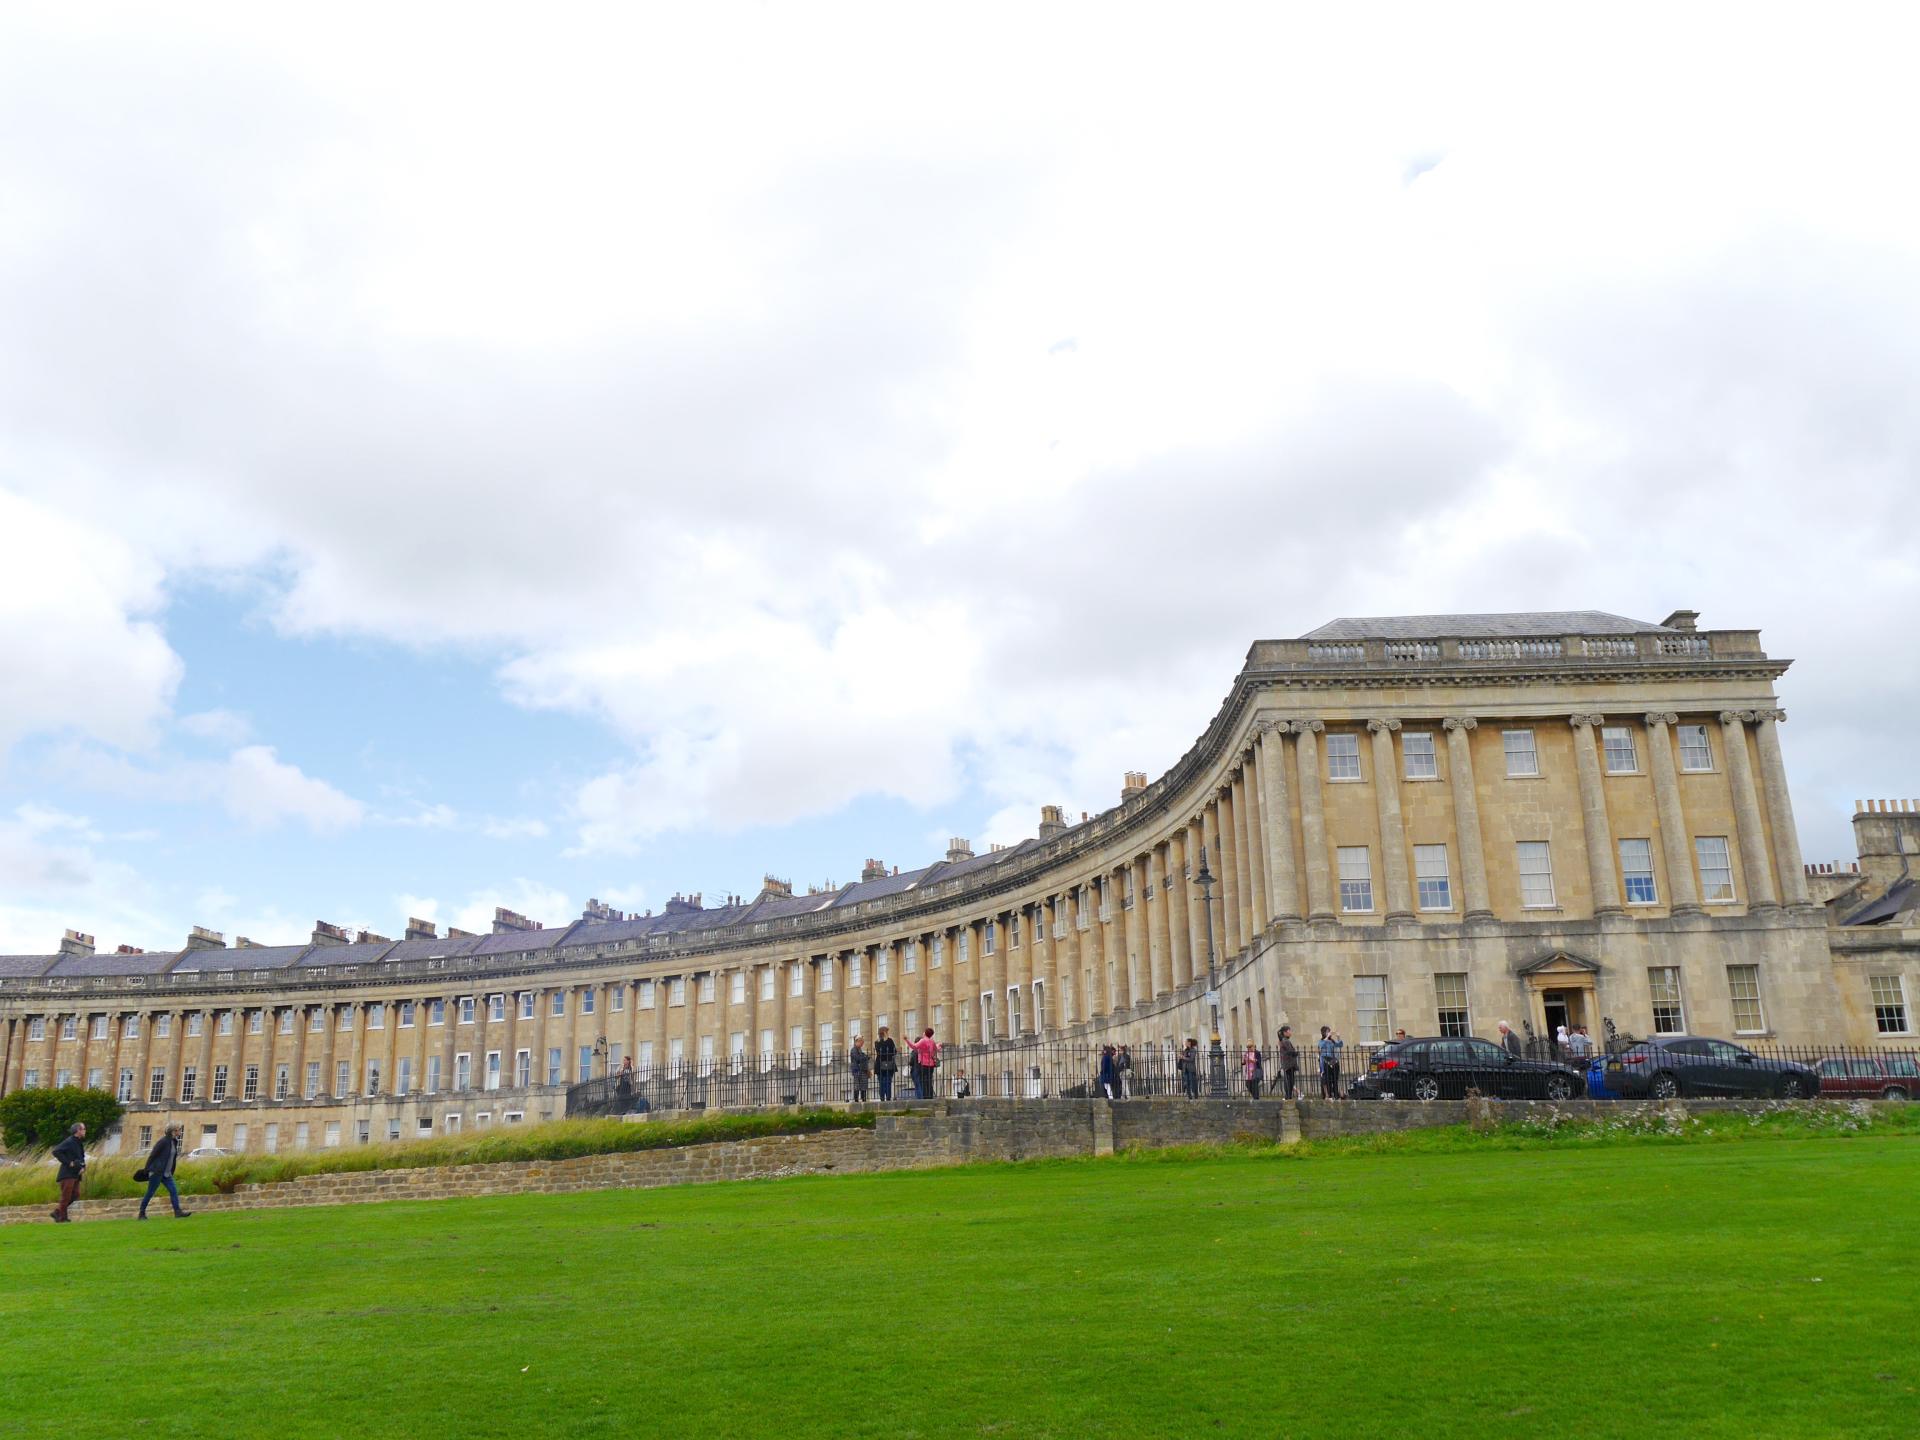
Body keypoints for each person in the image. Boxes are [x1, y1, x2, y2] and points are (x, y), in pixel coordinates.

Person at [137, 1123, 191, 1220]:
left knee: (173, 1191)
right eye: (178, 1130)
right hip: (157, 1172)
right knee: (150, 1192)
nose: (180, 1131)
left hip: (166, 1173)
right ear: (173, 1131)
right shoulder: (163, 1142)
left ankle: (177, 1212)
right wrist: (147, 1169)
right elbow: (153, 1155)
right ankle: (141, 1213)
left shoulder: (174, 1141)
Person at [50, 1121, 87, 1223]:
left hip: (76, 1174)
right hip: (67, 1174)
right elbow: (56, 1151)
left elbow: (81, 1157)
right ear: (78, 1130)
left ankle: (57, 1212)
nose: (85, 1131)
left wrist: (83, 1167)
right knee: (66, 1196)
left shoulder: (79, 1143)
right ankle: (62, 1218)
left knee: (75, 1194)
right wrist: (68, 1163)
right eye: (83, 1129)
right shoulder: (69, 1141)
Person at [912, 1028, 940, 1100]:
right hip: (930, 1065)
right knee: (929, 1081)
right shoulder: (931, 1042)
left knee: (923, 1082)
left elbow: (914, 1047)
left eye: (924, 1032)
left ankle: (925, 1096)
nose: (923, 1033)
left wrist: (906, 1040)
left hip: (923, 1065)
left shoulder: (922, 1043)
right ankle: (929, 1096)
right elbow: (936, 1050)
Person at [873, 1026, 899, 1101]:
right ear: (884, 1033)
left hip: (883, 1065)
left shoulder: (878, 1042)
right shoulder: (887, 1041)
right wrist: (887, 1040)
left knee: (884, 1082)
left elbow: (892, 1052)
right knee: (885, 1082)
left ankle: (885, 1097)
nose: (888, 1033)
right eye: (887, 1032)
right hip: (885, 1064)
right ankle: (885, 1097)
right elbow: (891, 1052)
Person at [1318, 1025, 1344, 1099]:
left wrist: (1338, 1037)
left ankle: (1336, 1095)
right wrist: (1326, 1038)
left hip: (1333, 1061)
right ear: (1323, 1033)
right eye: (1327, 1032)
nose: (1329, 1033)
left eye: (1329, 1031)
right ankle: (1329, 1095)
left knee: (1335, 1080)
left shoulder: (1332, 1041)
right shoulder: (1322, 1041)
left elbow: (1340, 1045)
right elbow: (1321, 1046)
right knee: (1328, 1080)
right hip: (1326, 1062)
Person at [1277, 1026, 1300, 1100]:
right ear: (1285, 1032)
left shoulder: (1284, 1040)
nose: (1290, 1032)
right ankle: (1288, 1096)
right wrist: (1296, 1053)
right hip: (1289, 1064)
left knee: (1290, 1081)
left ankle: (1288, 1096)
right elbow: (1290, 1051)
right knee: (1289, 1081)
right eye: (1289, 1031)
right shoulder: (1285, 1041)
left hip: (1288, 1064)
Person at [849, 1036, 871, 1102]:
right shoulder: (853, 1050)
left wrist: (865, 1057)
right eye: (861, 1042)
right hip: (856, 1070)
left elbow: (863, 1058)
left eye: (863, 1042)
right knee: (857, 1085)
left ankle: (863, 1098)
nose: (862, 1044)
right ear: (857, 1041)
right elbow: (858, 1059)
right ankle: (856, 1099)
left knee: (863, 1084)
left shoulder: (860, 1050)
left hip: (863, 1070)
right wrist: (865, 1057)